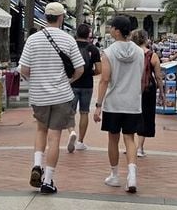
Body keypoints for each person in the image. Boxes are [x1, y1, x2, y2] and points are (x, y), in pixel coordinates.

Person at [19, 2, 85, 195]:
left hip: (39, 95)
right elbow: (80, 69)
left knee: (41, 130)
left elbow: (24, 69)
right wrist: (68, 80)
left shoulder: (33, 40)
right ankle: (48, 180)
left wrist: (37, 79)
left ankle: (36, 164)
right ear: (62, 17)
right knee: (55, 137)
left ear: (45, 17)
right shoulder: (68, 39)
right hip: (62, 95)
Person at [93, 15, 145, 194]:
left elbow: (104, 79)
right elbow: (140, 76)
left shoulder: (108, 52)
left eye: (111, 27)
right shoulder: (139, 52)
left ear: (117, 30)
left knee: (113, 138)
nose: (109, 30)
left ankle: (114, 175)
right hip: (132, 102)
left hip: (114, 103)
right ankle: (132, 175)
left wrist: (98, 105)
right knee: (130, 138)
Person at [67, 23, 101, 152]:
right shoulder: (93, 49)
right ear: (89, 35)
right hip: (87, 84)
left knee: (70, 112)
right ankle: (80, 141)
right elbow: (99, 69)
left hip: (72, 83)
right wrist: (89, 73)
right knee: (84, 112)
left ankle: (71, 132)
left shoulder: (70, 47)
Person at [130, 29, 163, 157]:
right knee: (146, 116)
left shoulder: (131, 54)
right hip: (148, 89)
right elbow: (159, 76)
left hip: (132, 88)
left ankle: (130, 145)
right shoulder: (152, 55)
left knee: (132, 115)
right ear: (146, 39)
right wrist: (162, 92)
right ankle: (139, 148)